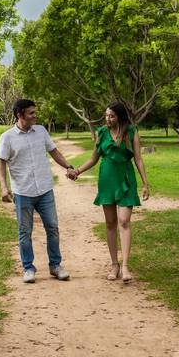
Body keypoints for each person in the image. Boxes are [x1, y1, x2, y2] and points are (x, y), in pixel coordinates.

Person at [0, 98, 75, 283]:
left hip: (45, 189)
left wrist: (68, 166)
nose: (35, 115)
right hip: (23, 191)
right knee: (25, 232)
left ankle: (55, 265)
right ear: (19, 115)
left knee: (53, 228)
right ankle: (28, 268)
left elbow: (54, 152)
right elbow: (1, 162)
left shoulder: (41, 131)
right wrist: (3, 187)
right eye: (31, 113)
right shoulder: (7, 137)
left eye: (34, 112)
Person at [68, 102, 149, 283]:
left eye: (111, 116)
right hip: (107, 180)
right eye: (106, 116)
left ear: (119, 116)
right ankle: (114, 264)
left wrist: (145, 183)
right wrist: (77, 172)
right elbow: (93, 158)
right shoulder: (102, 132)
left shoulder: (131, 131)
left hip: (125, 178)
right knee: (111, 223)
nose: (108, 119)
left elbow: (138, 158)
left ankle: (126, 266)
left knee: (124, 221)